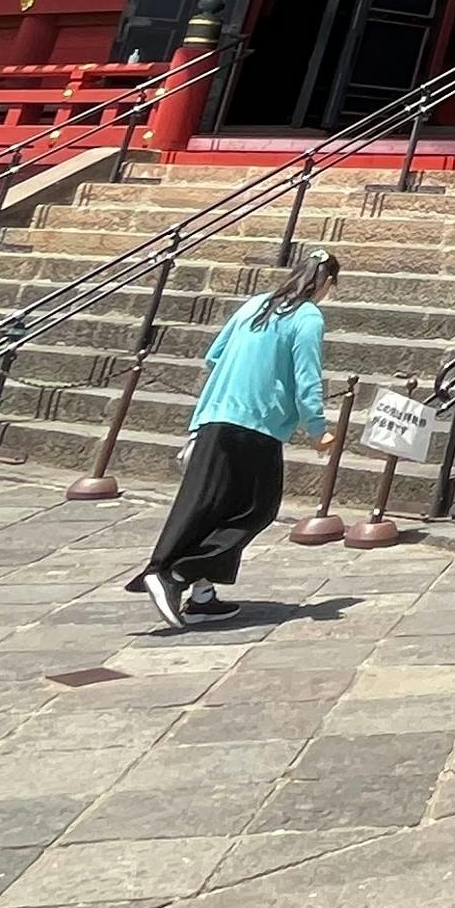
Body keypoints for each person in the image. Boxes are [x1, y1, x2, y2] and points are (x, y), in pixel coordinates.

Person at [129, 247, 335, 632]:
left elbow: (214, 355)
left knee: (209, 506)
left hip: (214, 415)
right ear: (327, 283)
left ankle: (202, 596)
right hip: (256, 424)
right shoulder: (308, 317)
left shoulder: (256, 305)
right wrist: (318, 429)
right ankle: (173, 575)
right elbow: (308, 378)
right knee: (256, 509)